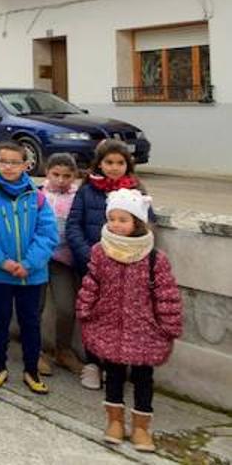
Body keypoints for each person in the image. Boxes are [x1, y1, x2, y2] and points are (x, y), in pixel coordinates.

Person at [75, 189, 183, 453]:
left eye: (123, 220)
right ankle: (114, 421)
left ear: (137, 222)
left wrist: (169, 326)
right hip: (110, 325)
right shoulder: (101, 252)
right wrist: (84, 309)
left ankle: (141, 427)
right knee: (113, 375)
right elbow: (91, 284)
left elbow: (166, 295)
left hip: (145, 329)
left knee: (143, 378)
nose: (116, 225)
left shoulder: (154, 258)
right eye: (112, 219)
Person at [0, 140, 58, 395]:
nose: (8, 167)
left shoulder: (37, 196)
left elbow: (48, 234)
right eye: (3, 161)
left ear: (25, 165)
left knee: (31, 322)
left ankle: (31, 370)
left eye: (14, 162)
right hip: (0, 273)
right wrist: (3, 261)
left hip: (32, 275)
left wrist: (29, 264)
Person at [67, 138, 149, 391]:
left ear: (128, 165)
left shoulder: (137, 191)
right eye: (109, 162)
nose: (114, 167)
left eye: (120, 162)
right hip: (92, 268)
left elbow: (146, 228)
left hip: (126, 269)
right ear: (99, 163)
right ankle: (93, 364)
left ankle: (117, 367)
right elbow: (73, 227)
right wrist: (91, 258)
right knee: (92, 316)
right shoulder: (86, 190)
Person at [40, 153, 81, 375]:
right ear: (47, 172)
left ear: (74, 176)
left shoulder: (78, 197)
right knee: (33, 307)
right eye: (55, 174)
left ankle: (63, 350)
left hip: (63, 261)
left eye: (67, 176)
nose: (61, 180)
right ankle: (35, 351)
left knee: (66, 308)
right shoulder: (38, 194)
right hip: (37, 259)